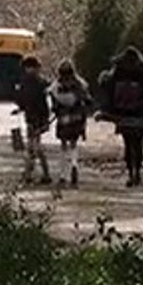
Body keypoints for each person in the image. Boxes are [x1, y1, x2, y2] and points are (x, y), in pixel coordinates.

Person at [95, 46, 143, 186]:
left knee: (128, 145)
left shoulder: (118, 70)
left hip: (123, 114)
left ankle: (130, 174)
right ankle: (138, 173)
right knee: (138, 145)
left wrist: (107, 110)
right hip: (141, 114)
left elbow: (108, 87)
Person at [49, 59, 93, 188]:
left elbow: (53, 104)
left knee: (63, 146)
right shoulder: (80, 84)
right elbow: (88, 100)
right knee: (73, 144)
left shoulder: (56, 86)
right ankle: (74, 164)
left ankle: (63, 175)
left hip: (63, 118)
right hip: (77, 118)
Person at [12, 55, 55, 185]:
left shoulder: (27, 83)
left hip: (33, 118)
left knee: (33, 147)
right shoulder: (40, 82)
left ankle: (31, 174)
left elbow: (22, 100)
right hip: (38, 117)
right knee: (35, 146)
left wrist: (20, 107)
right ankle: (40, 173)